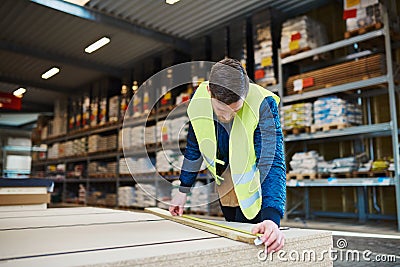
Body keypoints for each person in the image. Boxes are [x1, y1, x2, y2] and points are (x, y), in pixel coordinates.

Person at [169, 58, 286, 253]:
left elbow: (272, 161)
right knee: (233, 246)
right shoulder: (199, 103)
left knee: (255, 248)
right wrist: (182, 191)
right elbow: (193, 148)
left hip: (254, 191)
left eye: (236, 110)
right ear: (209, 92)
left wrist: (272, 218)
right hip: (225, 188)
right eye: (222, 110)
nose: (228, 117)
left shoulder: (262, 103)